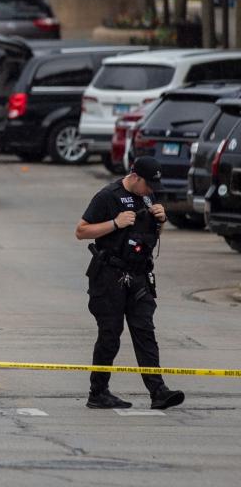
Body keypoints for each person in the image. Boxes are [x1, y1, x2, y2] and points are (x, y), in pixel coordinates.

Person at [75, 156, 185, 410]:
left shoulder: (148, 197)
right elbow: (81, 231)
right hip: (109, 277)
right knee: (110, 335)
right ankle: (98, 391)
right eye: (148, 184)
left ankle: (158, 391)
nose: (151, 191)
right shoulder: (107, 196)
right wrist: (115, 223)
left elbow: (148, 236)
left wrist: (161, 221)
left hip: (139, 276)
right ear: (135, 177)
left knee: (145, 331)